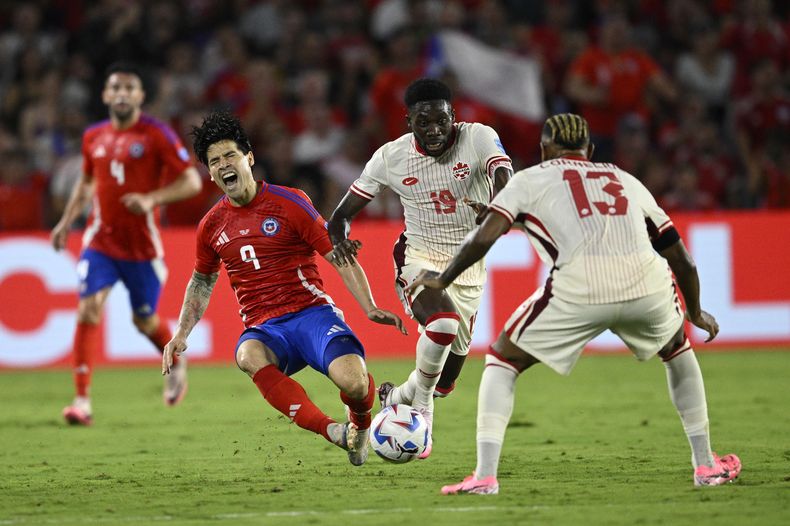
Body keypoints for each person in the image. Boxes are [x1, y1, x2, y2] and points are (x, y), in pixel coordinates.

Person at [407, 113, 741, 493]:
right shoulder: (624, 179)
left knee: (502, 359)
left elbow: (484, 238)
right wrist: (695, 312)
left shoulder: (529, 178)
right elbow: (681, 257)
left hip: (578, 286)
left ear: (544, 149)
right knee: (678, 350)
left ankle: (485, 476)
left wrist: (442, 278)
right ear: (591, 150)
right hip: (646, 285)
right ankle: (706, 465)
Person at [163, 111, 406, 466]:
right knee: (247, 355)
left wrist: (368, 306)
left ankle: (361, 426)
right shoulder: (211, 225)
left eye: (229, 155)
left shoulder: (290, 202)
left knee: (354, 384)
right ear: (211, 173)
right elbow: (202, 279)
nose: (223, 165)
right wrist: (181, 332)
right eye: (214, 161)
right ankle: (333, 432)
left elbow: (337, 254)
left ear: (249, 158)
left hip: (312, 315)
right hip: (265, 329)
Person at [328, 78, 513, 458]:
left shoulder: (477, 137)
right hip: (418, 259)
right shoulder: (390, 157)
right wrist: (340, 238)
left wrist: (496, 207)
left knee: (445, 382)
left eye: (441, 121)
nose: (434, 130)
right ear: (407, 120)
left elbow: (503, 177)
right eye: (423, 122)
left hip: (469, 272)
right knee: (442, 324)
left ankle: (395, 397)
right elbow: (339, 216)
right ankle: (423, 412)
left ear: (453, 117)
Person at [51, 62, 202, 425]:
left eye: (128, 88)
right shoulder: (93, 137)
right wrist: (65, 221)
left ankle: (176, 363)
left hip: (141, 248)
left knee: (143, 319)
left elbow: (192, 182)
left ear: (140, 96)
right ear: (105, 95)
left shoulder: (156, 134)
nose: (121, 93)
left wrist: (152, 199)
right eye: (114, 87)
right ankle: (82, 401)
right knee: (88, 309)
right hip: (100, 241)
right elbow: (86, 184)